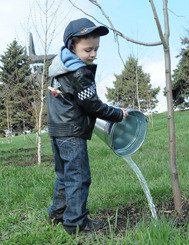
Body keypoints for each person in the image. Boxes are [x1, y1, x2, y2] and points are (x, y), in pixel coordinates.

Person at [47, 18, 128, 235]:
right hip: (72, 133)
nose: (93, 54)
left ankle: (58, 213)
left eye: (96, 49)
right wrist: (118, 114)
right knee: (79, 177)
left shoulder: (59, 66)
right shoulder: (79, 72)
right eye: (87, 50)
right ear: (72, 45)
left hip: (56, 131)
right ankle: (75, 222)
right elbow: (92, 105)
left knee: (64, 175)